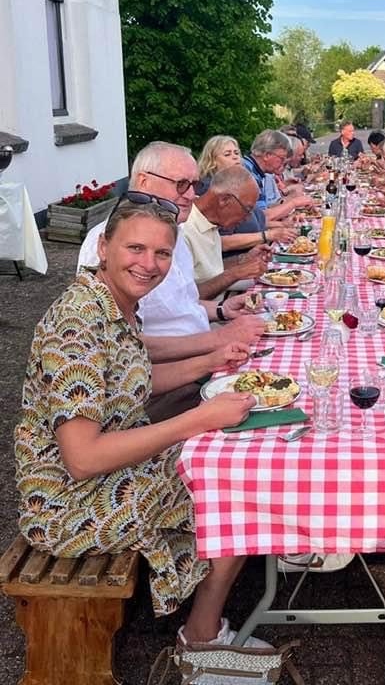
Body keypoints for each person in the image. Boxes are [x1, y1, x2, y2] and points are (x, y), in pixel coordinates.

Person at [15, 199, 264, 648]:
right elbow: (83, 458)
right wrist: (199, 418)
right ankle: (203, 636)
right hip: (67, 504)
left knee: (234, 458)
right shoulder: (76, 324)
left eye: (162, 253)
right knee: (236, 485)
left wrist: (212, 358)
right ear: (104, 247)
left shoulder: (114, 301)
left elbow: (134, 378)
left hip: (109, 473)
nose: (149, 264)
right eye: (136, 248)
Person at [78, 142, 265, 366]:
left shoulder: (174, 232)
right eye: (181, 184)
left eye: (194, 185)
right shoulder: (111, 241)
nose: (192, 195)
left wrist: (222, 310)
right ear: (144, 181)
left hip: (200, 352)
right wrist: (217, 340)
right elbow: (120, 346)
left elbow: (183, 304)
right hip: (163, 376)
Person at [196, 135, 294, 256]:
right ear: (212, 161)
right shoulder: (211, 191)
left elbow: (254, 218)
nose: (235, 157)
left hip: (251, 255)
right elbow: (216, 240)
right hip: (230, 264)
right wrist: (267, 235)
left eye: (237, 153)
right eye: (227, 154)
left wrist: (282, 225)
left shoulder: (240, 185)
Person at [181, 166, 272, 290]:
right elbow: (186, 298)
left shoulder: (210, 221)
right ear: (224, 200)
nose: (247, 218)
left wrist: (244, 259)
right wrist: (235, 273)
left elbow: (211, 271)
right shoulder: (183, 229)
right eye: (247, 209)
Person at [243, 130, 313, 220]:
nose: (284, 163)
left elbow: (260, 214)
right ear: (267, 155)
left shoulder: (255, 171)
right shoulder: (248, 174)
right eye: (282, 158)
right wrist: (294, 202)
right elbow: (261, 218)